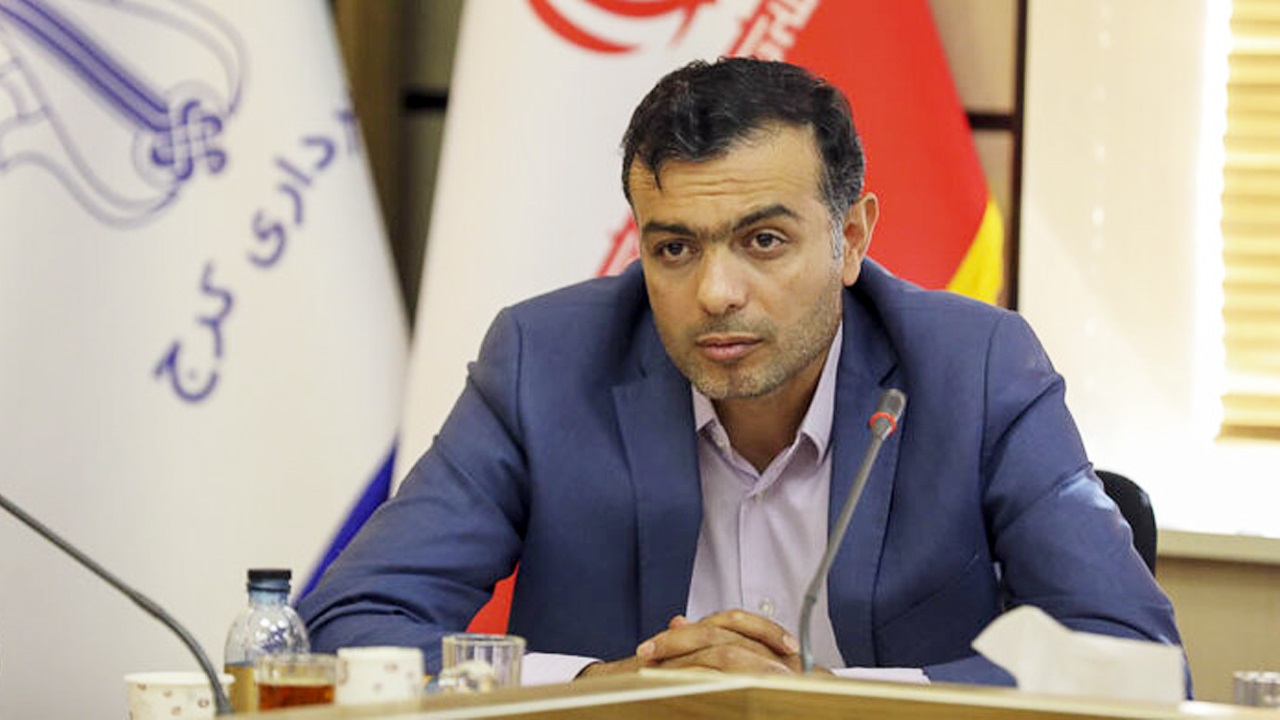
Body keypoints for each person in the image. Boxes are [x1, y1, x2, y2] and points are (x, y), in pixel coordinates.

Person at [298, 57, 1182, 686]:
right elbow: (344, 629)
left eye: (763, 241)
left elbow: (1134, 658)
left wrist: (832, 705)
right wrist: (603, 686)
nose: (716, 293)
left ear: (851, 239)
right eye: (674, 248)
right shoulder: (545, 363)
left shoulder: (977, 368)